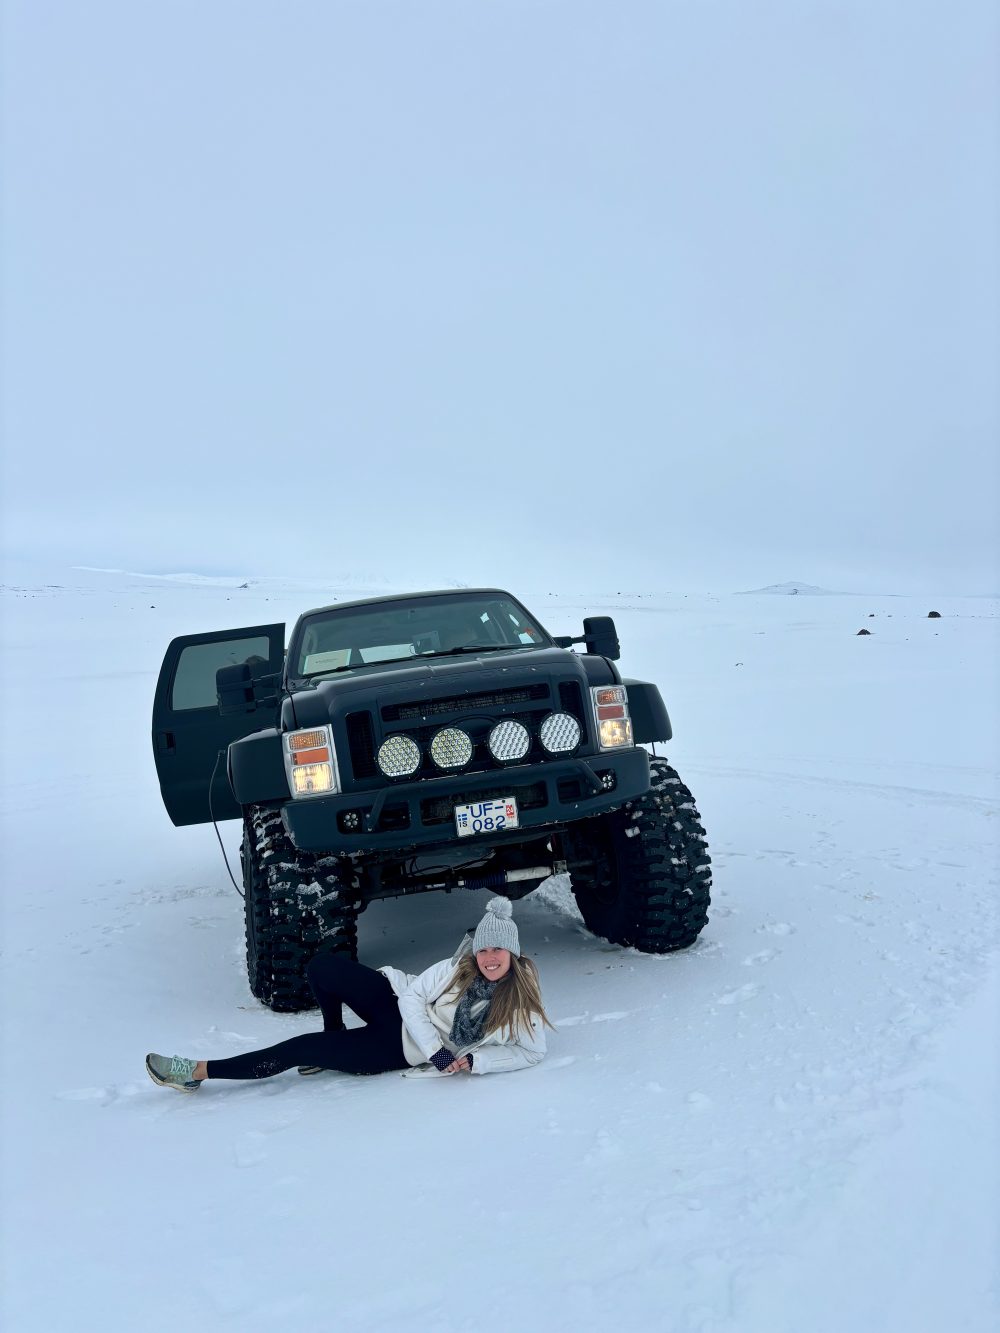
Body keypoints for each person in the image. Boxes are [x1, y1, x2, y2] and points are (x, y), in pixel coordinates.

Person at [146, 896, 552, 1092]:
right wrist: (439, 1052)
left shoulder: (521, 1002)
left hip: (396, 1049)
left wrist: (477, 1060)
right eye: (483, 949)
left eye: (498, 950)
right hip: (398, 1005)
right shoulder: (457, 968)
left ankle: (196, 1071)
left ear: (513, 954)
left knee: (299, 1048)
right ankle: (333, 1031)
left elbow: (533, 1052)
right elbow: (413, 1000)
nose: (489, 957)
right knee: (323, 966)